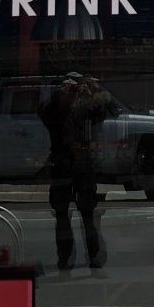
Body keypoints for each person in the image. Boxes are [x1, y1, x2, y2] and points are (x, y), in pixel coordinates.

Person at [40, 72, 117, 270]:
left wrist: (96, 91)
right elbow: (45, 113)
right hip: (62, 165)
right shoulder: (55, 110)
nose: (74, 92)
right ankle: (64, 258)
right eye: (70, 88)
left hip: (82, 164)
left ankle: (93, 256)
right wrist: (63, 95)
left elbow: (111, 111)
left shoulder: (84, 108)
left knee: (88, 214)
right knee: (62, 214)